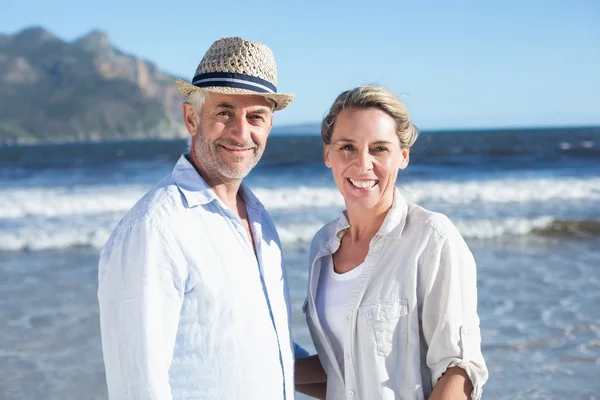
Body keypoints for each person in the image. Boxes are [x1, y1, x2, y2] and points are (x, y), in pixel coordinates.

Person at [97, 37, 298, 399]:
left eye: (256, 117)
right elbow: (138, 384)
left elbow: (258, 346)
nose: (241, 132)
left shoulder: (259, 220)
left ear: (268, 126)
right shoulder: (156, 228)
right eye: (224, 112)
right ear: (191, 117)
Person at [298, 85, 488, 399]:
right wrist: (261, 364)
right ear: (327, 154)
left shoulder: (431, 238)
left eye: (379, 149)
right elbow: (344, 366)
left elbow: (459, 369)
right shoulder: (322, 246)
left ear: (403, 156)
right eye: (347, 147)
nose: (362, 163)